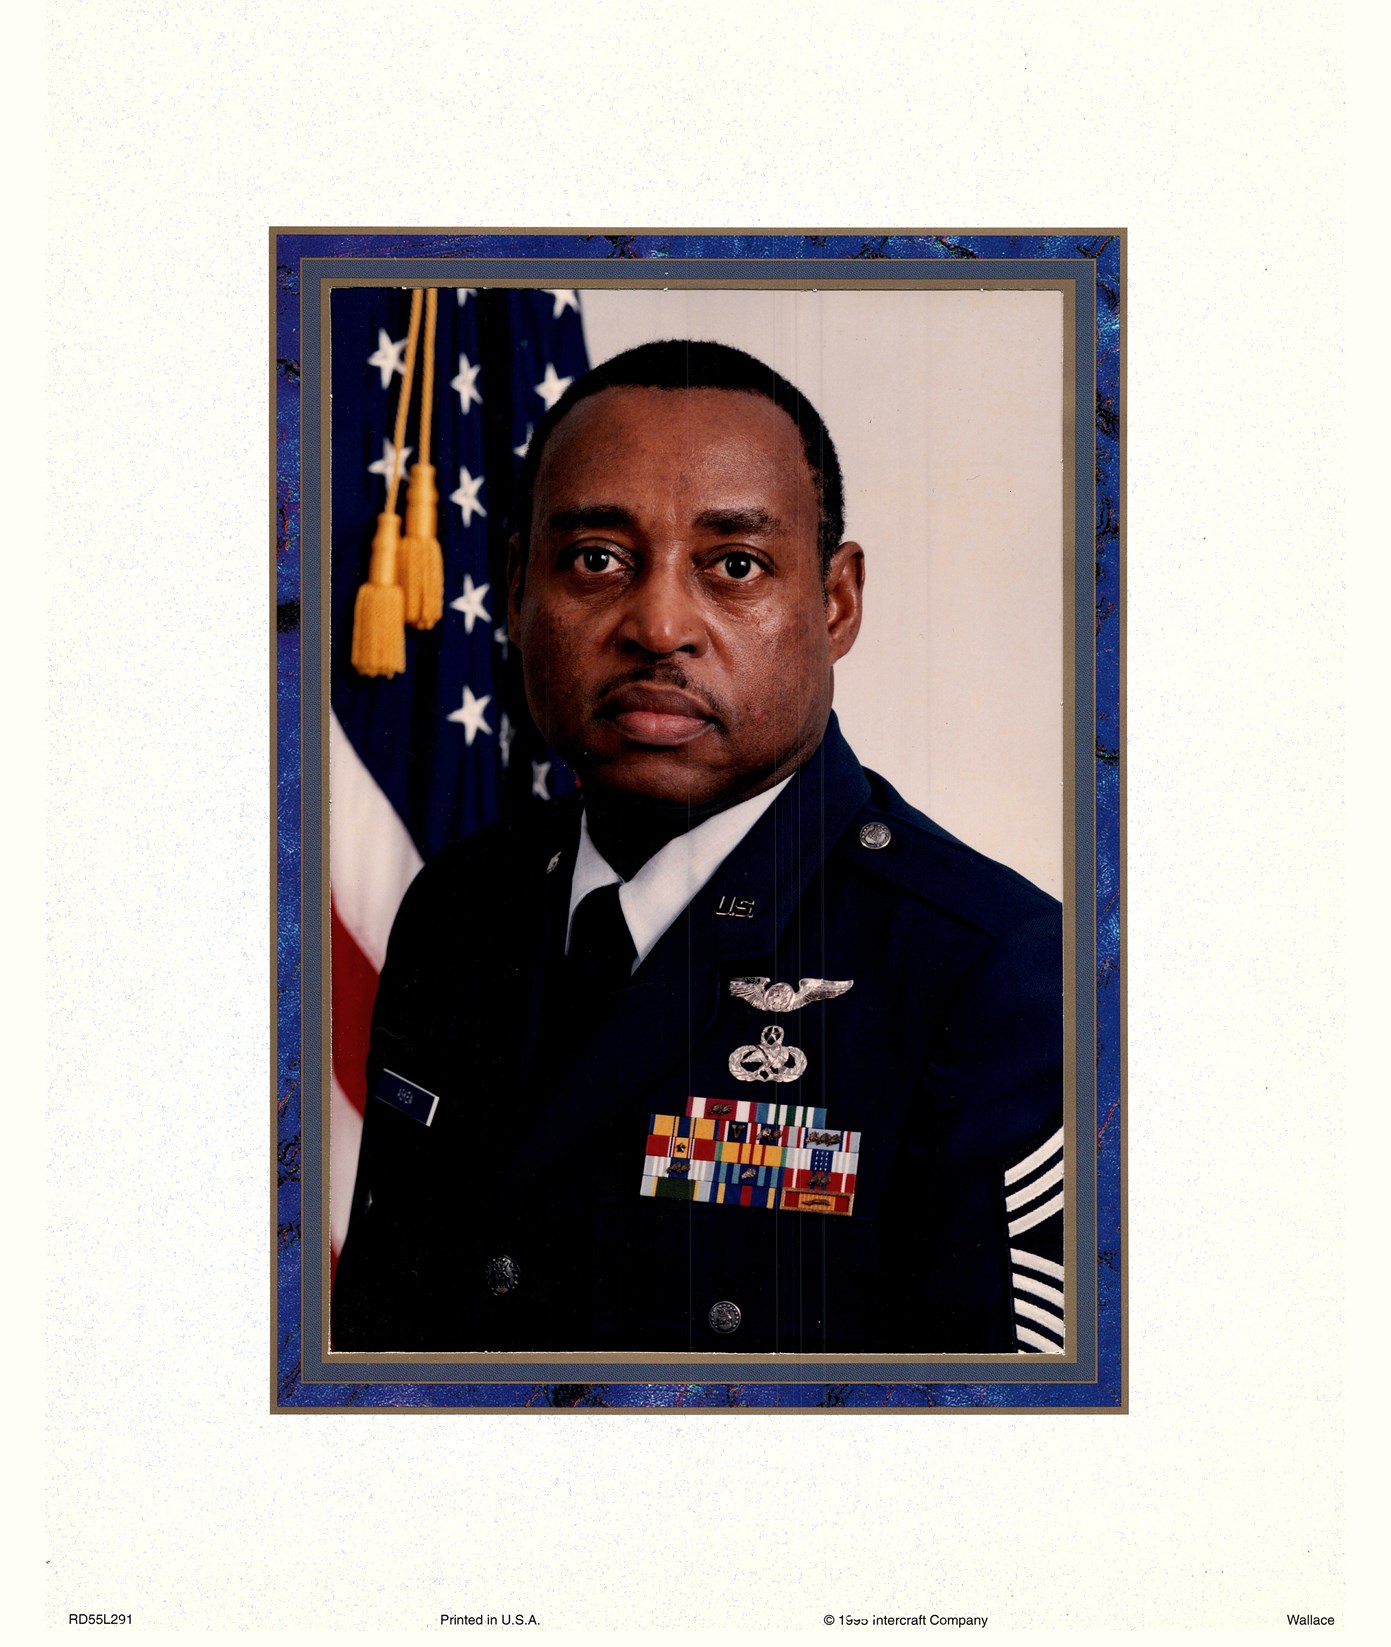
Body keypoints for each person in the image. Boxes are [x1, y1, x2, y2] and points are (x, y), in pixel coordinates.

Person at [331, 339, 1064, 1356]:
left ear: (836, 603)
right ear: (516, 588)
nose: (659, 625)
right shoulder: (460, 905)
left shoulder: (991, 970)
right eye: (596, 559)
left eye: (734, 565)